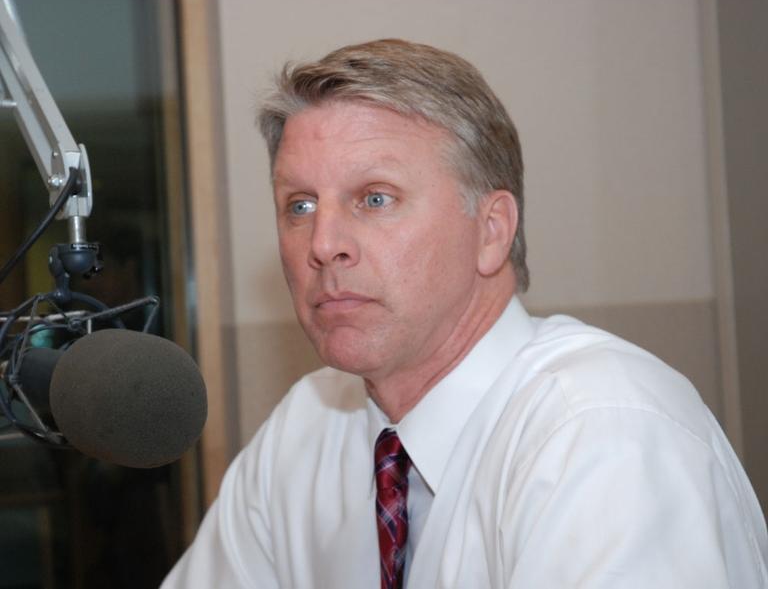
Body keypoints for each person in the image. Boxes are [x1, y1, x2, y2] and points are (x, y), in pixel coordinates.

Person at [161, 39, 767, 588]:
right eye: (299, 205)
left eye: (375, 198)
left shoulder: (604, 434)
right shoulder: (306, 429)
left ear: (492, 231)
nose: (322, 243)